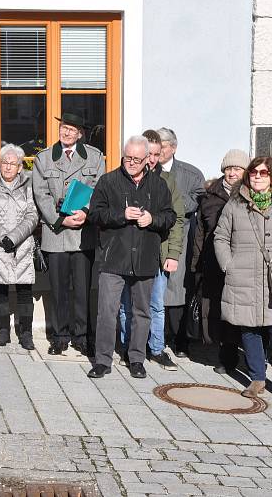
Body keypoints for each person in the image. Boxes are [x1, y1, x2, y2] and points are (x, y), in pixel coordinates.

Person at [214, 157, 272, 408]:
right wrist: (228, 264)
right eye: (253, 172)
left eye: (264, 173)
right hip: (243, 276)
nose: (257, 176)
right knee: (249, 328)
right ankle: (257, 379)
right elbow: (220, 236)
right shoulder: (235, 203)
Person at [87, 135, 175, 379]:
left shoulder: (158, 186)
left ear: (148, 159)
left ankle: (136, 358)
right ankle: (102, 361)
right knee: (107, 311)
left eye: (137, 159)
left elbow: (170, 217)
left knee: (141, 311)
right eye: (128, 158)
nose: (132, 163)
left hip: (145, 258)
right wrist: (121, 214)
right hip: (113, 257)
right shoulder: (108, 181)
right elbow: (95, 215)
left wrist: (153, 220)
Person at [32, 112, 105, 356]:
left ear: (80, 134)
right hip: (57, 232)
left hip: (83, 233)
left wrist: (84, 213)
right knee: (58, 289)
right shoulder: (44, 158)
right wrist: (60, 219)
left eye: (72, 129)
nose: (66, 133)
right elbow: (40, 193)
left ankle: (82, 336)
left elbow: (98, 189)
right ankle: (60, 336)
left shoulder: (94, 157)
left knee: (83, 290)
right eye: (64, 127)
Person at [117, 130, 185, 370]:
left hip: (158, 253)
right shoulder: (126, 178)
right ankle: (127, 347)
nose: (154, 159)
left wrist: (173, 254)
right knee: (127, 303)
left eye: (158, 154)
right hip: (130, 253)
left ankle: (156, 348)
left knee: (156, 304)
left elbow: (177, 220)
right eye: (151, 154)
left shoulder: (166, 183)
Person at [191, 149, 250, 374]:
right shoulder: (210, 196)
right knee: (221, 311)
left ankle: (254, 354)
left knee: (242, 312)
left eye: (237, 168)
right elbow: (200, 232)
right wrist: (196, 263)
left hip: (243, 262)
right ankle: (227, 358)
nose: (232, 173)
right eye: (228, 168)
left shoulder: (250, 194)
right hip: (214, 261)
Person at [0, 144, 39, 350]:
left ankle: (26, 332)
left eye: (13, 164)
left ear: (20, 167)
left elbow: (33, 215)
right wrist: (2, 236)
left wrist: (15, 236)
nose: (9, 167)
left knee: (24, 289)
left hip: (21, 246)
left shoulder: (28, 186)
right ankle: (3, 330)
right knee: (0, 288)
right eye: (5, 163)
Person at [156, 127, 205, 358]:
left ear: (173, 148)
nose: (159, 151)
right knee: (154, 289)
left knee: (177, 289)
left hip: (180, 236)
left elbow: (196, 200)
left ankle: (179, 339)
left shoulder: (190, 173)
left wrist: (169, 205)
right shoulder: (148, 170)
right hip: (153, 236)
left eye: (163, 146)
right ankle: (157, 336)